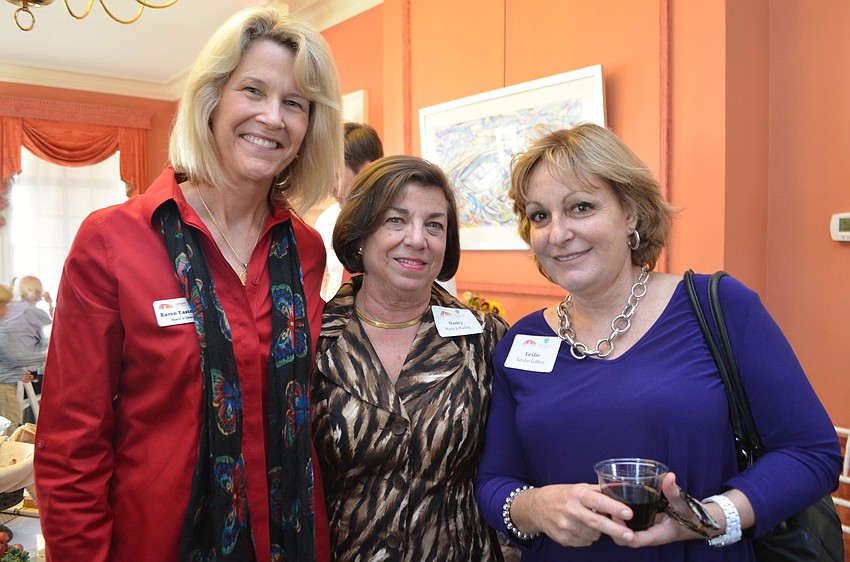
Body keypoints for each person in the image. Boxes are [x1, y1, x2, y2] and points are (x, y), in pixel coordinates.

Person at [34, 6, 342, 561]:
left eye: (294, 102)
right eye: (253, 90)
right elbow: (70, 448)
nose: (273, 117)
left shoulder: (306, 250)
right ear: (211, 99)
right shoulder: (113, 241)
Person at [475, 123, 842, 562]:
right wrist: (533, 507)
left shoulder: (720, 306)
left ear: (630, 212)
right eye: (540, 215)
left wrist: (711, 516)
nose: (557, 234)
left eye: (581, 207)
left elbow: (811, 453)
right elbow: (494, 481)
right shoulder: (521, 341)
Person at [311, 155, 509, 561]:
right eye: (396, 220)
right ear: (360, 235)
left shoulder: (485, 339)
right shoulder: (310, 340)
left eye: (434, 225)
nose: (418, 239)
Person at [314, 121, 384, 301]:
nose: (331, 188)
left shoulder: (406, 226)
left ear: (367, 171)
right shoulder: (327, 220)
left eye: (336, 176)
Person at [0, 285, 42, 430]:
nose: (8, 309)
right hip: (4, 388)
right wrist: (44, 357)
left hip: (6, 382)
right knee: (11, 429)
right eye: (5, 305)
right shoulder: (2, 329)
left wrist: (18, 373)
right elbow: (15, 357)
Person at [3, 275, 53, 355]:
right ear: (38, 292)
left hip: (8, 361)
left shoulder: (9, 307)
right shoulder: (36, 312)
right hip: (27, 362)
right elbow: (56, 326)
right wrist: (50, 303)